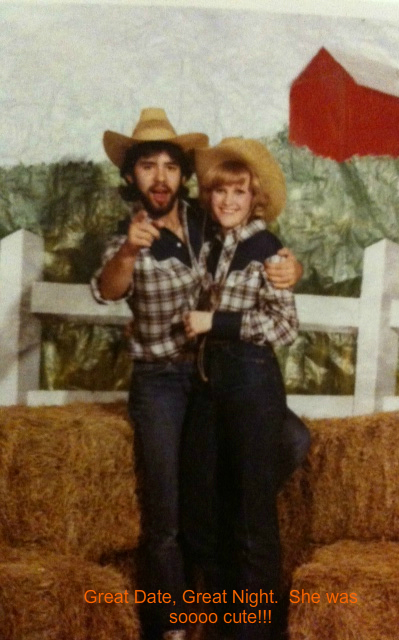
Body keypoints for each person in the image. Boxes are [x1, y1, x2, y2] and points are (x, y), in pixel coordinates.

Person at [90, 109, 308, 640]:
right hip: (163, 380)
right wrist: (129, 250)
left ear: (184, 175)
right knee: (172, 510)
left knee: (289, 443)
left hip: (214, 376)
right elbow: (108, 289)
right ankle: (176, 624)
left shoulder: (205, 221)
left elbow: (255, 242)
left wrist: (290, 267)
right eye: (147, 166)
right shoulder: (128, 236)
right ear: (131, 175)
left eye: (170, 166)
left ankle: (239, 612)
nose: (160, 177)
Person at [181, 138, 299, 640]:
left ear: (256, 199)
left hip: (251, 382)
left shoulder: (267, 250)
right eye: (220, 191)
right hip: (211, 385)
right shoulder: (211, 244)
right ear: (208, 195)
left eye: (240, 191)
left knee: (252, 519)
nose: (228, 200)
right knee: (204, 510)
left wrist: (218, 323)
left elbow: (285, 327)